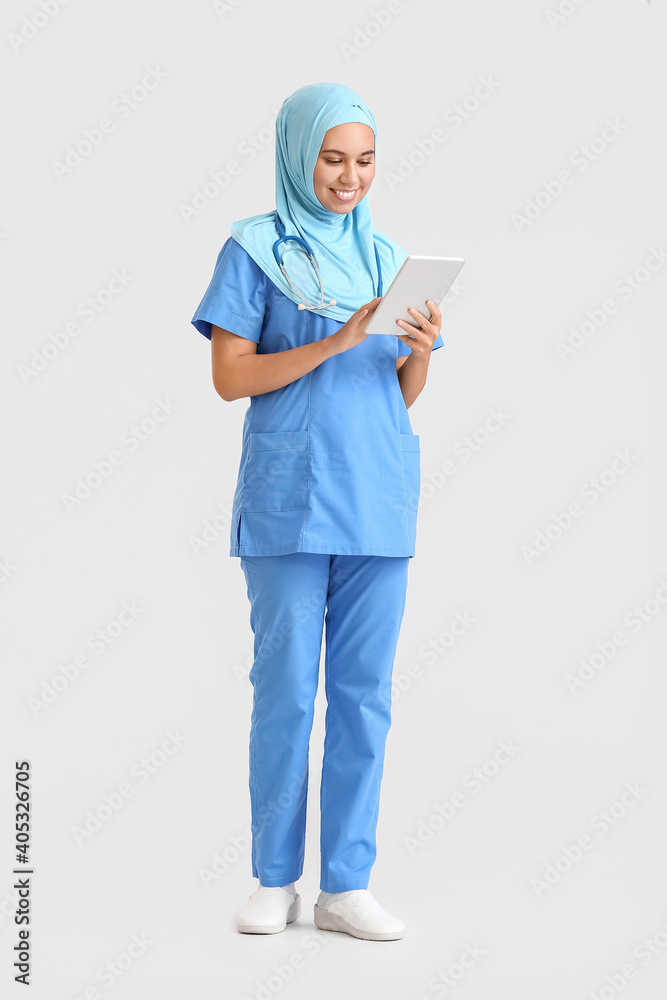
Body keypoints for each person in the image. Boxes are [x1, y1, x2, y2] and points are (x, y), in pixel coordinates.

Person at [190, 82, 444, 941]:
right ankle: (273, 880)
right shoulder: (252, 251)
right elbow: (230, 378)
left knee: (364, 697)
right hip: (289, 502)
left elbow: (398, 396)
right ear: (298, 156)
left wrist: (414, 353)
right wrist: (333, 339)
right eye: (333, 159)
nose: (349, 178)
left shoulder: (385, 258)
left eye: (365, 160)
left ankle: (346, 885)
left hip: (376, 494)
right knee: (287, 696)